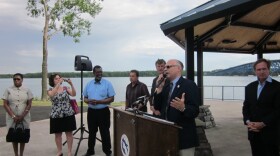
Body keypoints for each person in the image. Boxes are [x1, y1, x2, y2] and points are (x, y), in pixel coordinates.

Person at [153, 59, 199, 156]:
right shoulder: (166, 87)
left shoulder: (189, 85)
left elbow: (195, 111)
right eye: (165, 67)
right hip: (167, 136)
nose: (165, 69)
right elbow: (157, 107)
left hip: (184, 138)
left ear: (178, 68)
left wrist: (183, 107)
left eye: (168, 67)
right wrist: (159, 89)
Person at [242, 58, 280, 156]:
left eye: (264, 69)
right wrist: (248, 122)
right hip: (253, 132)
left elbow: (278, 110)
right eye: (259, 69)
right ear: (255, 71)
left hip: (270, 133)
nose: (262, 71)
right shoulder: (249, 87)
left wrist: (263, 123)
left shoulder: (277, 87)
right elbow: (246, 107)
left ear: (269, 70)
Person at [83, 65, 115, 156]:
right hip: (91, 112)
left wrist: (99, 102)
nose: (99, 74)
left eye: (100, 72)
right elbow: (85, 98)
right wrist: (89, 101)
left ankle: (107, 151)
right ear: (93, 73)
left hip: (103, 112)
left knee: (105, 132)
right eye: (97, 72)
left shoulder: (107, 84)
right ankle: (90, 151)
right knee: (92, 132)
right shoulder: (89, 84)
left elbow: (112, 98)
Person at [3, 73, 33, 156]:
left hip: (24, 117)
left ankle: (21, 154)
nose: (16, 80)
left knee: (23, 135)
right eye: (15, 79)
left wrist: (22, 116)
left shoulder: (27, 90)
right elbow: (5, 104)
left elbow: (29, 104)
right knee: (13, 135)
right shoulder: (8, 90)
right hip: (11, 117)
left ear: (22, 80)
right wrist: (13, 116)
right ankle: (16, 154)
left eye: (18, 79)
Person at [48, 74, 77, 156]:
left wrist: (71, 84)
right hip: (56, 114)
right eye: (56, 79)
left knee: (69, 133)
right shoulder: (50, 89)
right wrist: (58, 84)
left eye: (59, 78)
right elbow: (52, 95)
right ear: (52, 81)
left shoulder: (65, 88)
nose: (58, 80)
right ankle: (59, 151)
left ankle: (69, 152)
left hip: (68, 113)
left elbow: (74, 94)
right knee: (57, 134)